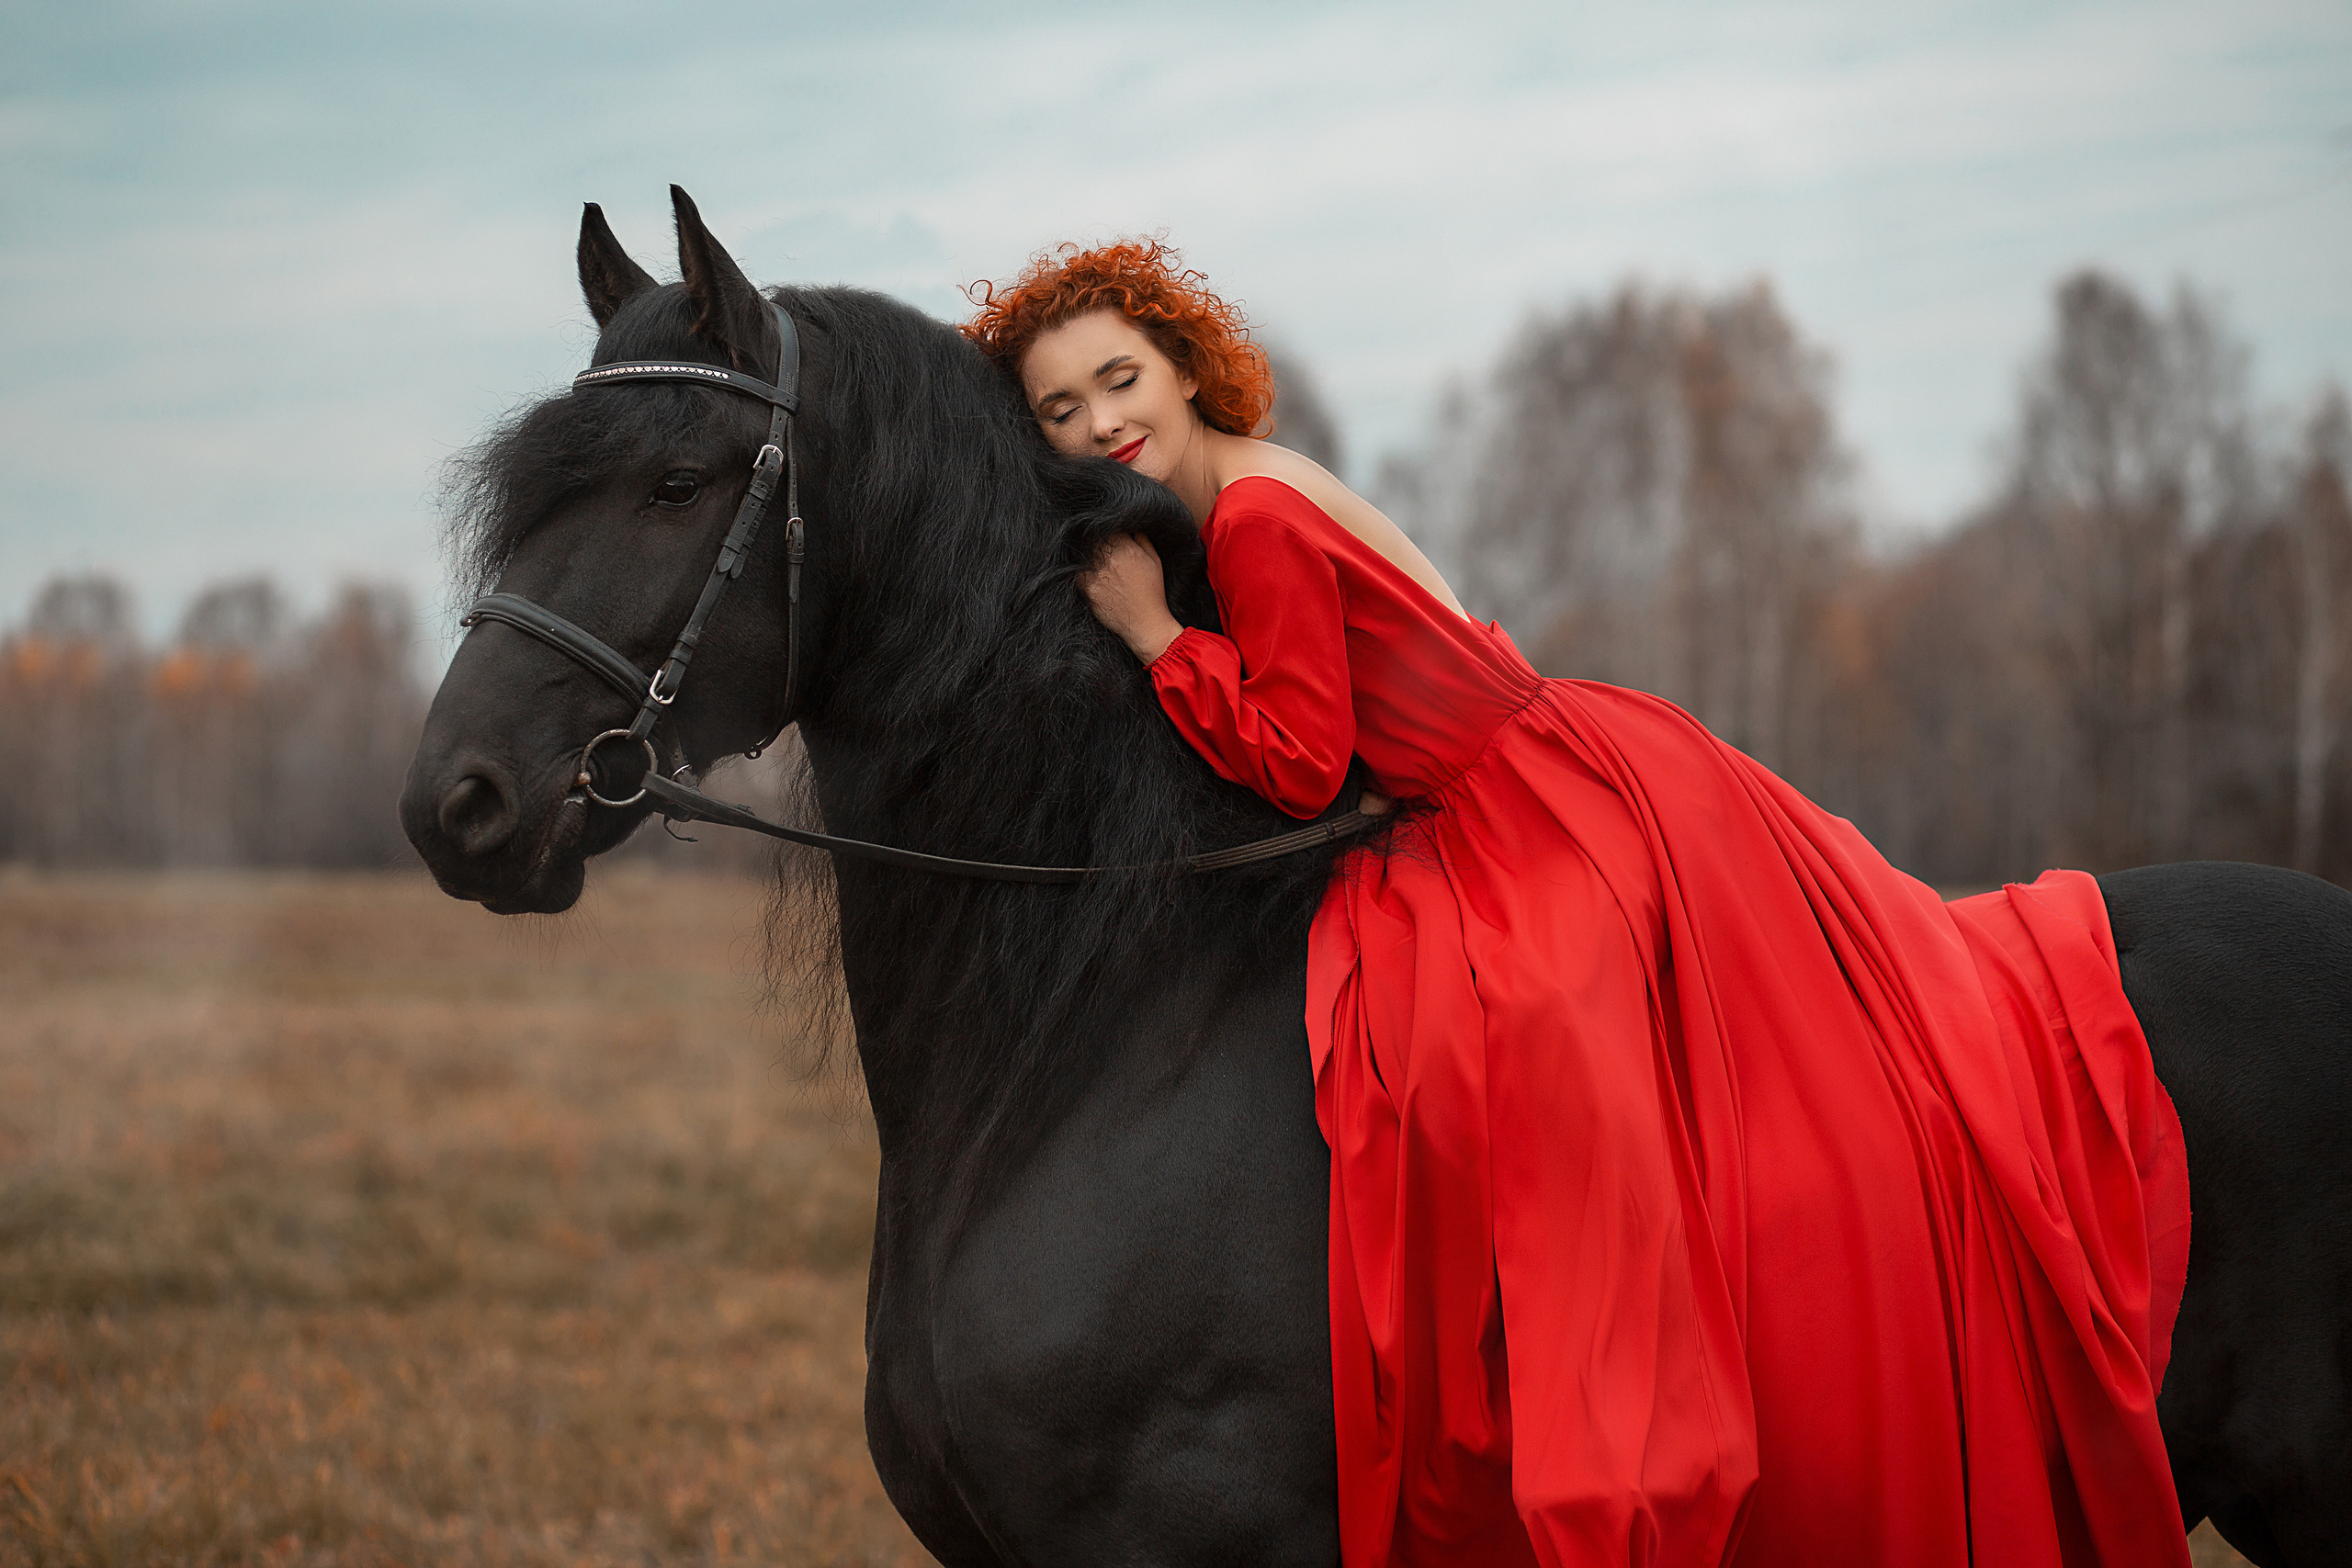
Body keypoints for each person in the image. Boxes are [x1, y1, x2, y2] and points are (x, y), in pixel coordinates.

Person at [963, 242, 2193, 1568]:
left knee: (1543, 1056)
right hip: (1557, 762)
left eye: (1118, 377)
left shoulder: (1250, 523)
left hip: (1523, 809)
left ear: (1184, 364)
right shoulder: (1249, 483)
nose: (1100, 422)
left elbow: (1305, 760)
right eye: (1060, 410)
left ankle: (1643, 1437)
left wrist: (1155, 639)